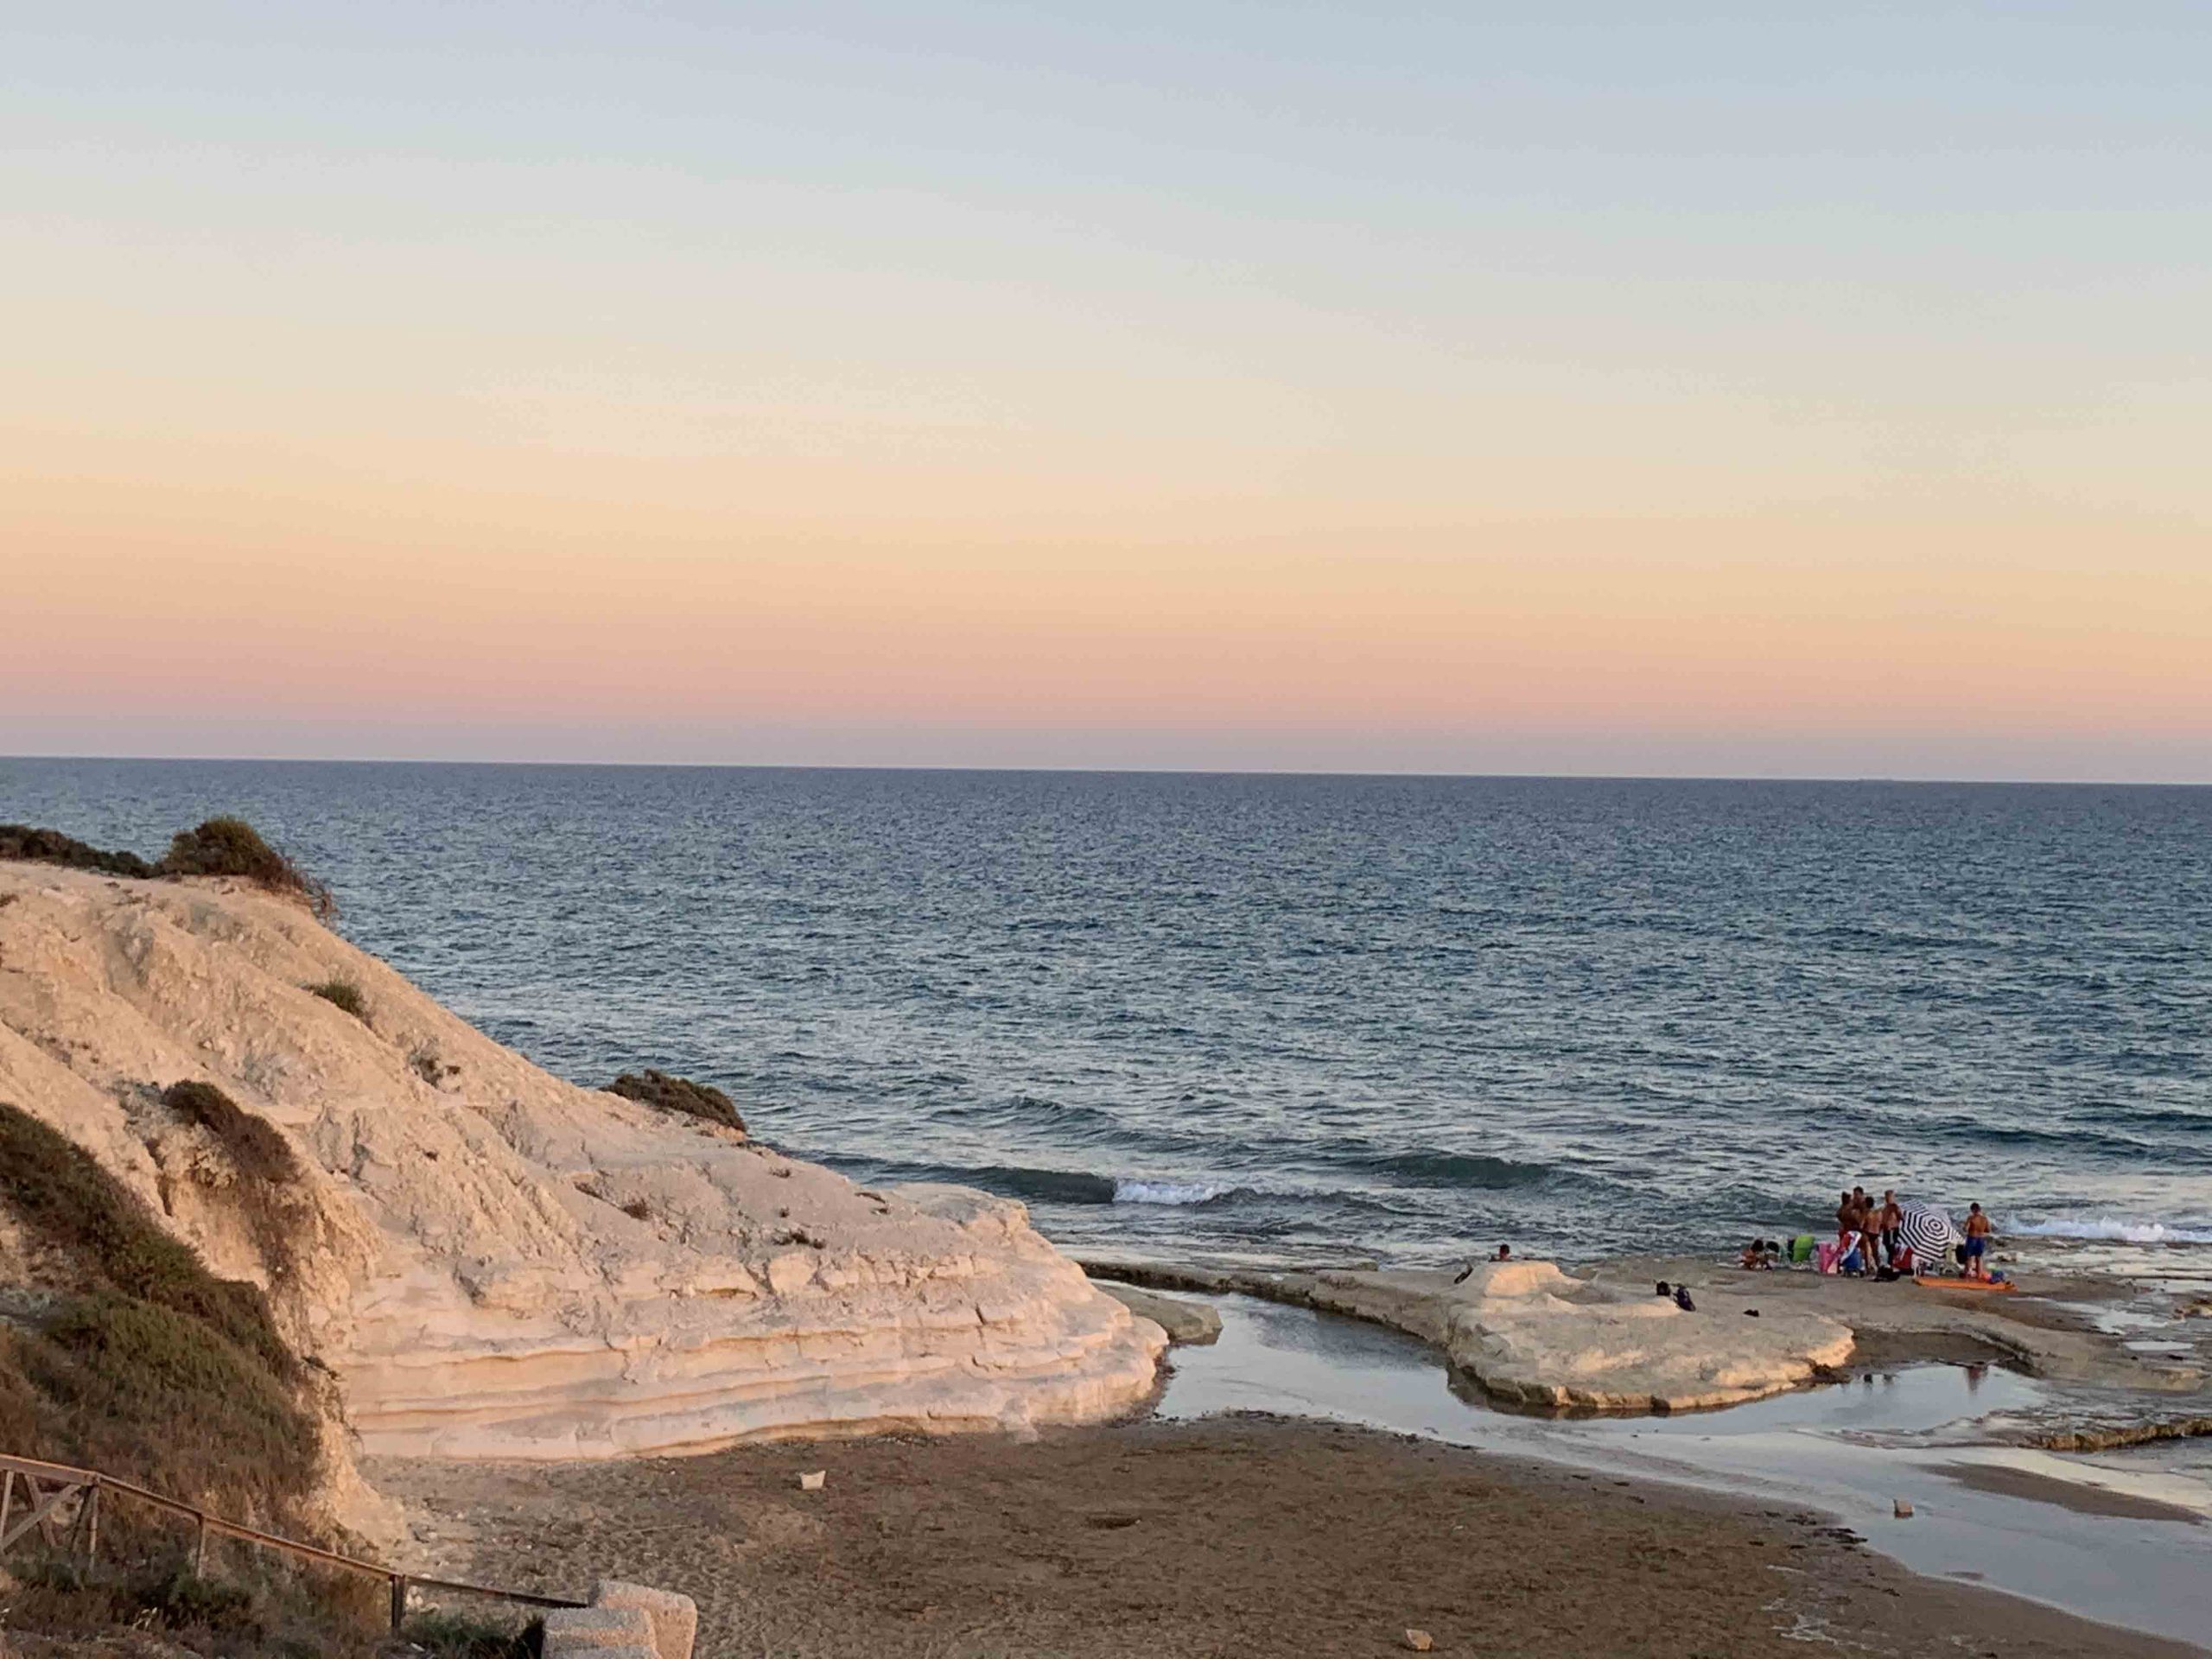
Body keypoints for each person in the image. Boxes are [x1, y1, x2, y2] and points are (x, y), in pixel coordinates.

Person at [1964, 1202, 1993, 1281]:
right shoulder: (1985, 1219)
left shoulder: (1971, 1218)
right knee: (1979, 1258)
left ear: (1973, 1210)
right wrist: (1980, 1229)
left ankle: (1967, 1275)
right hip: (1981, 1239)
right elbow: (1988, 1230)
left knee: (1969, 1257)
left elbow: (1966, 1228)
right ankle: (1979, 1276)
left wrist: (1965, 1227)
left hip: (1972, 1238)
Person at [1879, 1191, 1903, 1268]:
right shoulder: (1885, 1207)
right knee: (1886, 1244)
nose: (1887, 1199)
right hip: (1886, 1229)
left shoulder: (1895, 1207)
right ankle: (1892, 1259)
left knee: (1891, 1246)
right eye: (1886, 1197)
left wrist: (1895, 1220)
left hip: (1892, 1229)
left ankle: (1891, 1263)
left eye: (1889, 1197)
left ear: (1893, 1198)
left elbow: (1901, 1217)